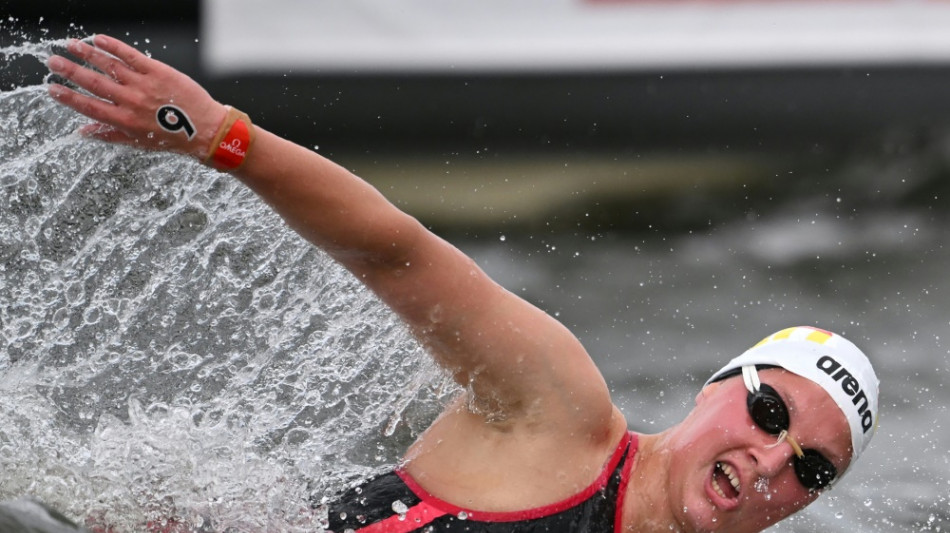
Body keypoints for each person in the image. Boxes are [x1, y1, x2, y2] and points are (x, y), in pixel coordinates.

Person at [46, 35, 880, 533]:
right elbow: (397, 255)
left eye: (810, 470)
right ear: (714, 389)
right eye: (771, 412)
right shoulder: (562, 419)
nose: (773, 458)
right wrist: (223, 136)